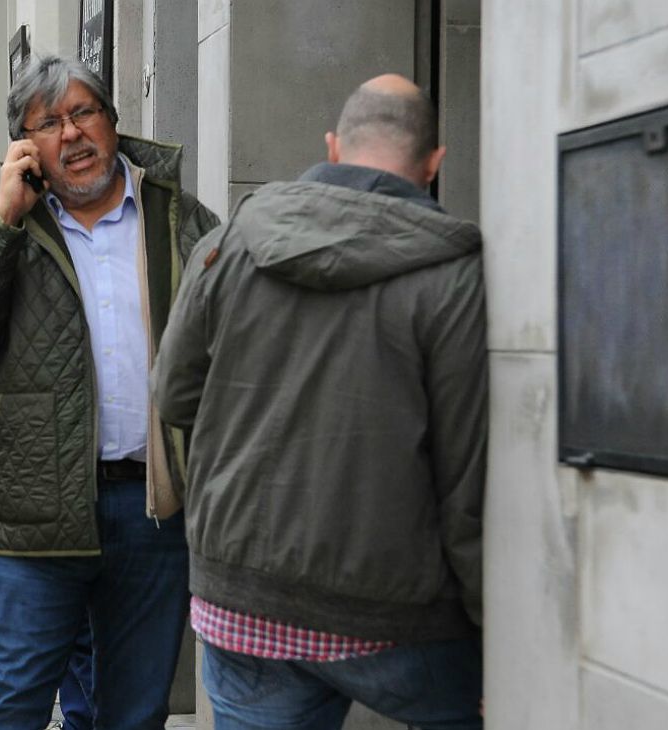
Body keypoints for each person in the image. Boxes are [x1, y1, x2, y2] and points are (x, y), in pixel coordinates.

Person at [152, 74, 487, 730]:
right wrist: (490, 624)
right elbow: (464, 475)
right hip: (395, 610)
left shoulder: (230, 243)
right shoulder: (451, 274)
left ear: (332, 147)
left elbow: (172, 394)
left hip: (241, 595)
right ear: (435, 163)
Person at [0, 56, 220, 730]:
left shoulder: (176, 218)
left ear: (113, 122)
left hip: (153, 508)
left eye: (85, 113)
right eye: (49, 123)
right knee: (11, 707)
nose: (73, 135)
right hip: (34, 512)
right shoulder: (1, 224)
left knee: (134, 712)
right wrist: (4, 217)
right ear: (26, 145)